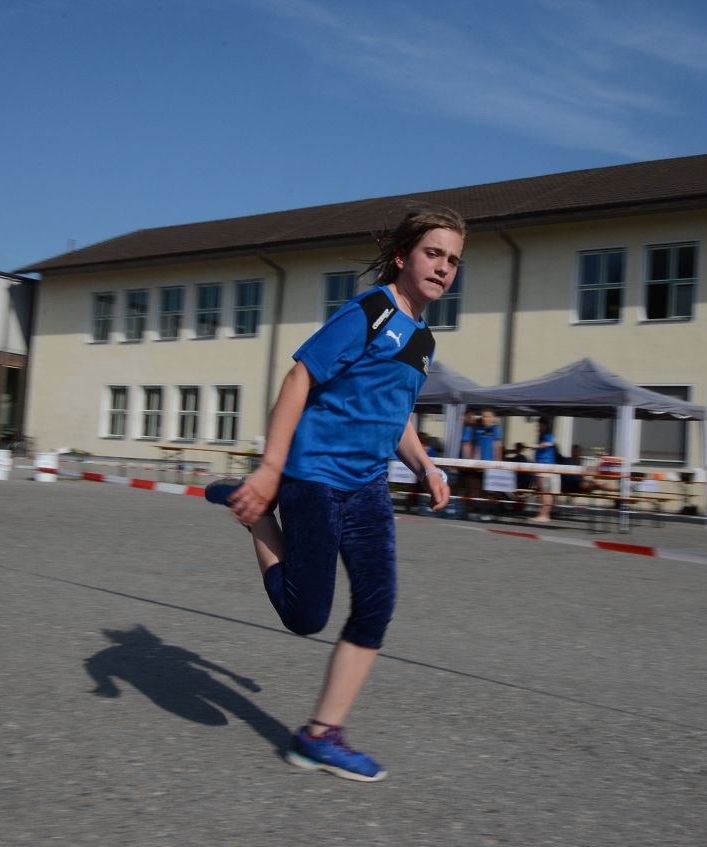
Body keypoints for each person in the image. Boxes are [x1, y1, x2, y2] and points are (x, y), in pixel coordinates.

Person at [203, 206, 463, 782]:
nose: (444, 267)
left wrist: (425, 466)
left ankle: (321, 735)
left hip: (367, 485)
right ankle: (256, 516)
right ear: (403, 256)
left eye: (452, 260)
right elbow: (300, 377)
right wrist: (270, 470)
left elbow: (396, 416)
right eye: (433, 253)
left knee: (377, 605)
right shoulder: (369, 312)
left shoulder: (424, 339)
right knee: (305, 616)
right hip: (314, 476)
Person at [465, 408, 502, 520]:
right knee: (476, 489)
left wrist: (498, 463)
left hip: (491, 465)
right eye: (483, 416)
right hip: (479, 465)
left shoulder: (496, 429)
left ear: (493, 418)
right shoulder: (478, 429)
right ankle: (475, 510)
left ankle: (488, 512)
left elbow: (498, 446)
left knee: (489, 491)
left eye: (487, 416)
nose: (484, 418)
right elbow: (476, 446)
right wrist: (473, 461)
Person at [529, 418, 559, 523]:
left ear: (546, 426)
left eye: (540, 425)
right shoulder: (541, 436)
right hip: (541, 467)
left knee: (545, 492)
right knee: (544, 492)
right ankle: (544, 514)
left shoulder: (549, 436)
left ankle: (545, 515)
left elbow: (549, 444)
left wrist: (536, 446)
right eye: (538, 425)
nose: (539, 428)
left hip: (545, 467)